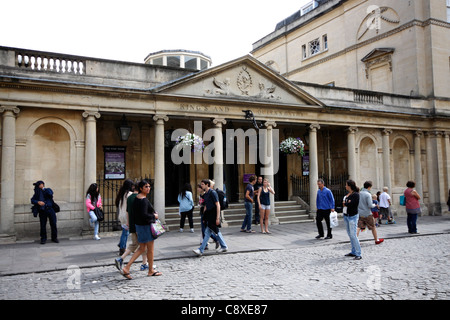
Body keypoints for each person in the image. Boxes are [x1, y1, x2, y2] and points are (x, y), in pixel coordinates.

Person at [120, 180, 162, 279]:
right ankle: (150, 270)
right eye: (146, 187)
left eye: (149, 186)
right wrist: (154, 216)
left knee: (142, 248)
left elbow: (135, 214)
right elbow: (144, 215)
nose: (148, 188)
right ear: (141, 188)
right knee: (150, 250)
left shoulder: (136, 199)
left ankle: (127, 267)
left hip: (139, 226)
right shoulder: (143, 200)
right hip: (145, 227)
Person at [193, 179, 228, 256]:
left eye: (202, 184)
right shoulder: (206, 194)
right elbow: (206, 206)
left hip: (213, 215)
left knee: (208, 232)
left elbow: (218, 205)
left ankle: (201, 250)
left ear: (207, 185)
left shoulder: (213, 193)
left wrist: (218, 218)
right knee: (215, 232)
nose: (201, 186)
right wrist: (204, 217)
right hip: (209, 215)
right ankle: (224, 246)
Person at [343, 180, 361, 260]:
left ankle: (358, 253)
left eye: (346, 185)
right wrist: (347, 202)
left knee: (353, 235)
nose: (345, 186)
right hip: (346, 215)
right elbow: (344, 203)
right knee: (350, 234)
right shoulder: (348, 195)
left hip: (353, 216)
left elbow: (352, 204)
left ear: (349, 186)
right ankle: (353, 251)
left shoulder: (356, 195)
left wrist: (347, 203)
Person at [116, 179, 134, 255]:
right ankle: (122, 248)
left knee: (125, 231)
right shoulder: (129, 194)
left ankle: (121, 244)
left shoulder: (122, 193)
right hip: (127, 216)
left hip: (121, 215)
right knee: (125, 233)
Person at [197, 183, 218, 250]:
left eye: (199, 187)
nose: (197, 189)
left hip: (206, 214)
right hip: (203, 213)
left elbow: (207, 204)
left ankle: (213, 240)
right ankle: (209, 243)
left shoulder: (206, 195)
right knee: (205, 230)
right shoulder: (201, 195)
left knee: (206, 230)